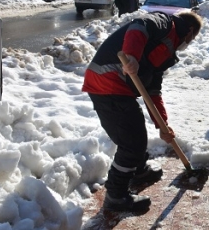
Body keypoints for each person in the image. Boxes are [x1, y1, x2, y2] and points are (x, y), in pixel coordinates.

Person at [82, 11, 202, 212]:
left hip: (119, 87)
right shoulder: (166, 23)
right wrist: (132, 57)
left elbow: (152, 91)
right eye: (193, 38)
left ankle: (138, 170)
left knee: (136, 133)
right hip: (107, 82)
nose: (189, 43)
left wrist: (162, 125)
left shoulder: (167, 51)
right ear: (190, 31)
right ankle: (116, 196)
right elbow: (138, 27)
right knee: (132, 143)